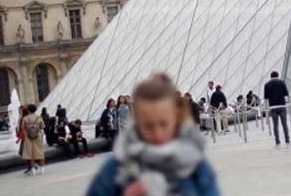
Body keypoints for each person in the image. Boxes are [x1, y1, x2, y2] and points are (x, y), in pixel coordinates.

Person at [86, 74, 220, 196]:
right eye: (148, 125)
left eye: (164, 123)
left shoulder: (197, 166)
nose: (158, 134)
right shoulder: (115, 168)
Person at [264, 71, 291, 148]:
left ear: (271, 76)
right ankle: (287, 142)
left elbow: (266, 97)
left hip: (273, 107)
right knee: (284, 125)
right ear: (278, 75)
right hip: (282, 105)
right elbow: (286, 93)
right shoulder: (282, 83)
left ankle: (277, 143)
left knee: (275, 126)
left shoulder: (267, 85)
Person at [21, 104, 46, 175]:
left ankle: (33, 170)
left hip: (28, 137)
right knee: (40, 152)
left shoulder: (25, 118)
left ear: (28, 110)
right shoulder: (39, 117)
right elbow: (42, 127)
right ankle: (42, 169)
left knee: (31, 153)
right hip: (38, 136)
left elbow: (23, 128)